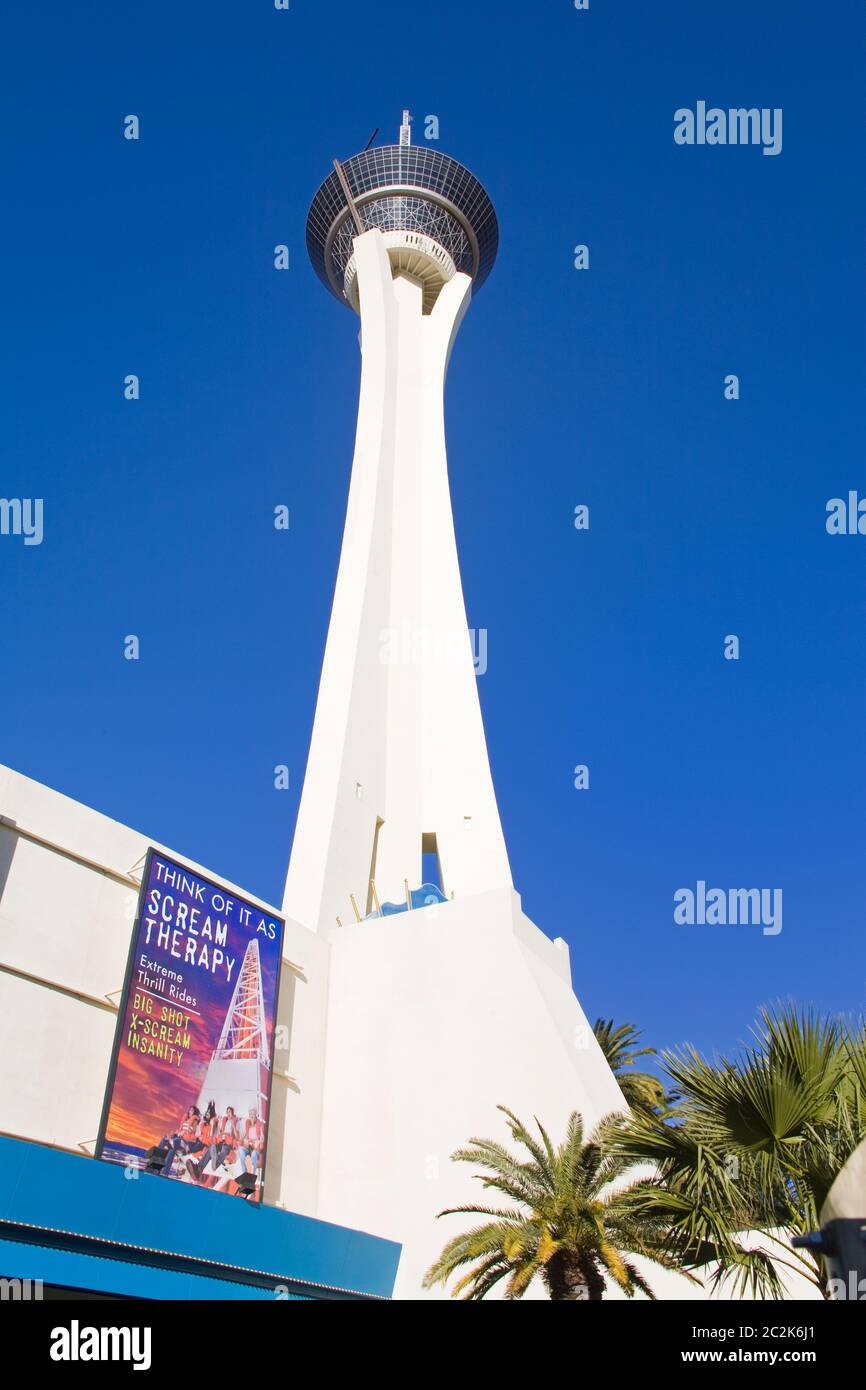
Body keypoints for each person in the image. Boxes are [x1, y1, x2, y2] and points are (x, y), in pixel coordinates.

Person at [193, 1105, 239, 1181]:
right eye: (227, 1112)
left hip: (228, 1144)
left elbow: (237, 1136)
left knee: (224, 1151)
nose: (228, 1113)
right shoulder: (224, 1121)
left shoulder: (235, 1122)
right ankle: (199, 1169)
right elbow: (219, 1130)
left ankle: (215, 1164)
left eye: (230, 1112)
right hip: (221, 1141)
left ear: (233, 1113)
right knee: (211, 1147)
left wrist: (233, 1125)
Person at [159, 1105, 202, 1177]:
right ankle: (157, 1164)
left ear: (194, 1112)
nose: (190, 1111)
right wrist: (174, 1134)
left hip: (185, 1142)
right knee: (165, 1140)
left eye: (192, 1110)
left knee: (174, 1142)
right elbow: (179, 1131)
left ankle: (165, 1170)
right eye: (190, 1110)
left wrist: (185, 1132)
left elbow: (193, 1133)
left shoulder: (195, 1121)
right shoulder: (185, 1120)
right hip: (178, 1139)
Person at [237, 1108, 264, 1177]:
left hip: (255, 1148)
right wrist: (244, 1140)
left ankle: (253, 1175)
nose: (252, 1116)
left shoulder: (259, 1124)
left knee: (254, 1154)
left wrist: (258, 1141)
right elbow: (241, 1137)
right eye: (250, 1114)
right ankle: (244, 1173)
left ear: (256, 1115)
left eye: (253, 1114)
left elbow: (262, 1138)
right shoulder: (247, 1124)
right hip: (248, 1146)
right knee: (240, 1149)